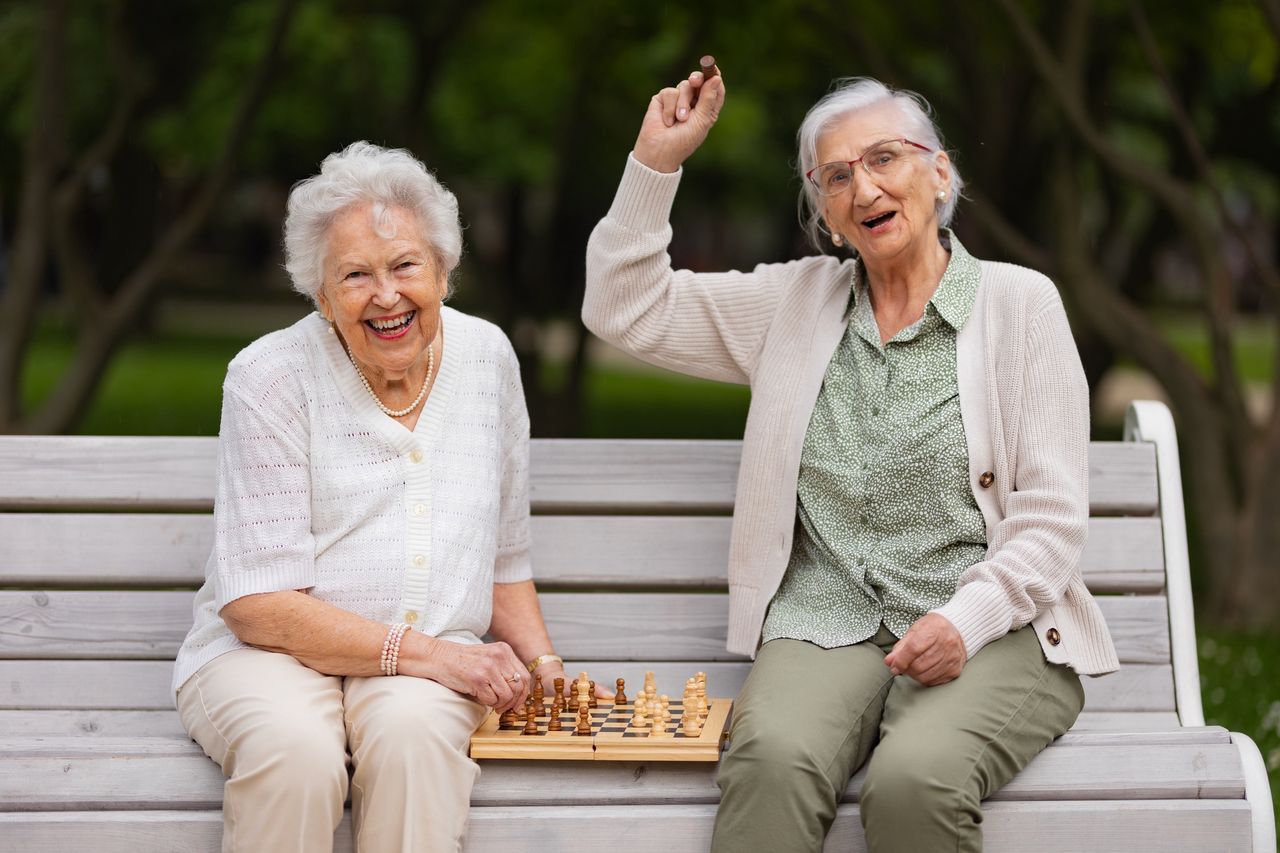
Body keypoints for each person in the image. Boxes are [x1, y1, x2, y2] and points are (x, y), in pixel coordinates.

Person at [582, 69, 1120, 853]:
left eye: (884, 159)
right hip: (825, 616)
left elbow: (1049, 520)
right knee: (768, 762)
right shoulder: (793, 305)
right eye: (837, 176)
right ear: (828, 215)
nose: (863, 186)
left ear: (939, 174)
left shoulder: (1020, 305)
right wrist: (655, 162)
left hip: (999, 623)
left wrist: (961, 622)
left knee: (915, 782)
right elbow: (623, 307)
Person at [173, 141, 571, 853]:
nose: (386, 295)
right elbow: (258, 603)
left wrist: (545, 667)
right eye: (355, 275)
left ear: (443, 272)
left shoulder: (488, 361)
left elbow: (504, 557)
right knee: (297, 751)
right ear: (322, 297)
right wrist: (425, 654)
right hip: (271, 658)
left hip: (428, 667)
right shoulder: (268, 377)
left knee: (415, 738)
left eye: (405, 266)